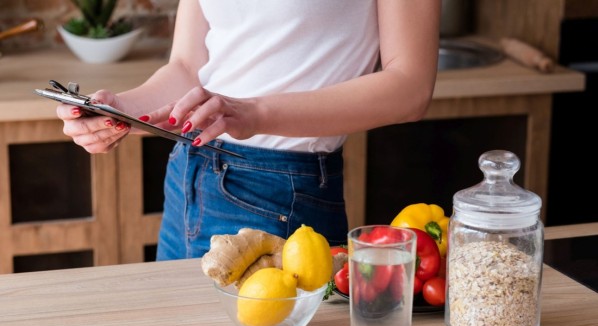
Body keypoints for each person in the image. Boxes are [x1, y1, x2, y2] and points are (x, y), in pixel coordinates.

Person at [56, 0, 441, 261]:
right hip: (187, 176)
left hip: (278, 192)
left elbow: (410, 87)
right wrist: (120, 110)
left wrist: (253, 113)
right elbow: (189, 68)